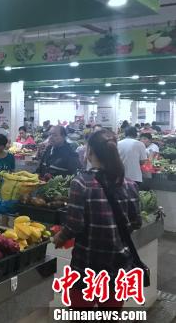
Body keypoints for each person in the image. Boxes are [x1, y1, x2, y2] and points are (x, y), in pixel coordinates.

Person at [52, 129, 141, 310]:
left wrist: (59, 237)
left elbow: (74, 225)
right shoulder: (130, 184)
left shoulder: (81, 182)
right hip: (118, 265)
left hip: (86, 264)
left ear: (90, 152)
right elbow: (136, 222)